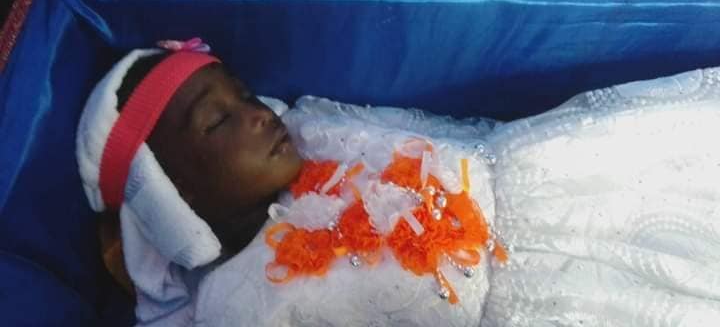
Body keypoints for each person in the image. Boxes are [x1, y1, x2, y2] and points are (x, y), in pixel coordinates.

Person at [78, 39, 720, 326]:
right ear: (176, 198)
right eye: (218, 121)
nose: (258, 114)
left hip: (546, 175)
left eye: (246, 95)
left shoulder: (310, 133)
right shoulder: (237, 307)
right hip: (538, 302)